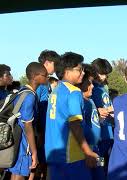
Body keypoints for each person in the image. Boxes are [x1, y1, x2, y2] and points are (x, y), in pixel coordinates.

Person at [45, 52, 98, 180]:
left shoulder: (56, 90)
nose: (83, 73)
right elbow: (75, 124)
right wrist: (87, 151)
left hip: (53, 153)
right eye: (80, 69)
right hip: (71, 155)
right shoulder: (73, 92)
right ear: (67, 71)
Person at [8, 62, 48, 180]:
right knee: (19, 176)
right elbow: (28, 126)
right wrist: (34, 152)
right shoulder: (30, 96)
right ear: (35, 76)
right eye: (45, 75)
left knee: (15, 174)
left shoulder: (22, 91)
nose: (47, 78)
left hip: (17, 139)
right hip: (24, 142)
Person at [35, 50, 60, 179]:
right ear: (47, 62)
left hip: (44, 129)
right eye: (55, 64)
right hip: (40, 130)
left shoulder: (46, 82)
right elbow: (39, 107)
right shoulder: (40, 82)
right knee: (37, 164)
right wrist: (40, 131)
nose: (56, 67)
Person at [76, 77, 105, 180]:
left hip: (97, 148)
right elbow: (79, 127)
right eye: (89, 83)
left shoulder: (91, 101)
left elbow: (94, 122)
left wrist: (101, 117)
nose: (92, 86)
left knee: (101, 174)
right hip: (88, 149)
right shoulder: (80, 103)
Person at [90, 58, 114, 175]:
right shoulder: (90, 88)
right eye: (102, 74)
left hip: (108, 133)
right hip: (98, 136)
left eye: (106, 74)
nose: (104, 77)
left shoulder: (102, 88)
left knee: (107, 166)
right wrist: (98, 110)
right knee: (99, 167)